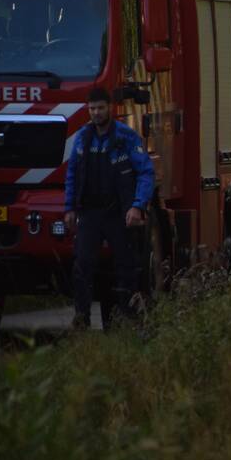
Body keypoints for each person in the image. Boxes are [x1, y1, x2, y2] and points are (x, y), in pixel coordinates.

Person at [64, 87, 155, 329]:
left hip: (118, 213)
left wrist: (137, 206)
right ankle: (81, 319)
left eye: (100, 108)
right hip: (90, 213)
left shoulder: (126, 138)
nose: (96, 113)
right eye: (92, 109)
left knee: (126, 267)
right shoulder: (82, 138)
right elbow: (72, 173)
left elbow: (145, 172)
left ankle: (126, 319)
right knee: (82, 266)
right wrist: (69, 208)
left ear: (110, 109)